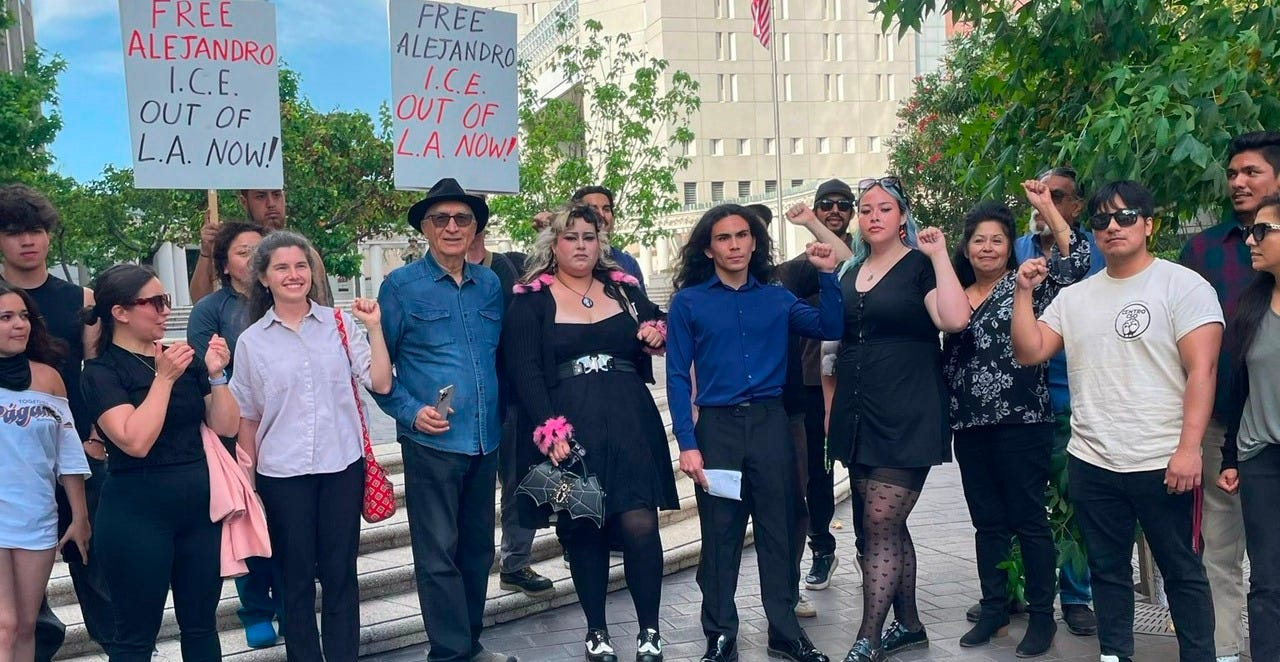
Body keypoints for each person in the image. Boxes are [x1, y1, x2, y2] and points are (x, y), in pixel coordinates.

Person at [1011, 180, 1220, 662]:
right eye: (1102, 220)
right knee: (1107, 572)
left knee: (1182, 570)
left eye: (1126, 217)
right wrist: (1024, 292)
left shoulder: (1182, 285)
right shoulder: (1077, 296)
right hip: (1092, 460)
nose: (1112, 227)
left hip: (1164, 460)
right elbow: (1030, 350)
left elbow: (1202, 371)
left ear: (1148, 225)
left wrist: (1189, 449)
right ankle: (1115, 654)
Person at [667, 202, 842, 662]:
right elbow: (678, 376)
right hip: (718, 429)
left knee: (779, 530)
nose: (735, 245)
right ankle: (721, 633)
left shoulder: (778, 298)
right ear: (709, 248)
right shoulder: (689, 302)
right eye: (724, 237)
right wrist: (687, 442)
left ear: (754, 241)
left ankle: (784, 631)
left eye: (742, 235)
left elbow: (832, 325)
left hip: (770, 424)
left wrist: (827, 275)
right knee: (721, 534)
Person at [503, 205, 673, 662]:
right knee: (583, 528)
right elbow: (524, 369)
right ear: (553, 244)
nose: (581, 245)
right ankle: (596, 630)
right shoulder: (530, 298)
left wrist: (657, 331)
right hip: (568, 426)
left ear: (601, 244)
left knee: (640, 524)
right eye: (571, 236)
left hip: (629, 418)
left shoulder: (623, 289)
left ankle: (650, 631)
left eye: (589, 237)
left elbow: (660, 321)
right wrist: (548, 428)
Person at [824, 176, 969, 662]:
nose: (874, 216)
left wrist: (941, 254)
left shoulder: (919, 267)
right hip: (859, 409)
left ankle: (868, 635)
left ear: (902, 215)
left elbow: (954, 319)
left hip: (909, 407)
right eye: (866, 210)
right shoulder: (853, 269)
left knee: (881, 520)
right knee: (884, 525)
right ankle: (908, 624)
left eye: (884, 208)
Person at [372, 178, 515, 662]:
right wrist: (412, 414)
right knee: (437, 557)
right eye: (441, 219)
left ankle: (469, 644)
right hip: (432, 444)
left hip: (484, 439)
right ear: (425, 230)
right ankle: (450, 653)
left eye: (462, 219)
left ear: (475, 229)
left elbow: (501, 359)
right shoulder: (401, 287)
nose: (452, 227)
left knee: (477, 552)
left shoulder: (491, 285)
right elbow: (377, 371)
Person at [941, 188, 1090, 656]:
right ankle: (994, 608)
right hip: (968, 424)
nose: (987, 248)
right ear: (965, 248)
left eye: (997, 240)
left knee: (1029, 520)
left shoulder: (1031, 281)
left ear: (1011, 246)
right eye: (979, 240)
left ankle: (1043, 617)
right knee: (987, 522)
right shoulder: (953, 295)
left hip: (1023, 419)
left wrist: (1047, 207)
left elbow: (1079, 261)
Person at [230, 230, 391, 661]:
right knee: (293, 578)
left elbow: (380, 381)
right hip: (282, 476)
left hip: (342, 468)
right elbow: (248, 416)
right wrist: (248, 482)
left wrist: (373, 329)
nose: (293, 274)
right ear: (263, 278)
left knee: (341, 575)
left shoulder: (338, 326)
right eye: (281, 267)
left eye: (300, 265)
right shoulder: (252, 342)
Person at [81, 264, 239, 661]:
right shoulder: (101, 371)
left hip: (199, 510)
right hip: (136, 511)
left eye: (165, 300)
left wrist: (217, 376)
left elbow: (225, 425)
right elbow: (134, 440)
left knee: (202, 625)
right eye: (153, 302)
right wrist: (164, 380)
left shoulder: (183, 360)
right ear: (120, 312)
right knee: (135, 635)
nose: (165, 310)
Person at [0, 183, 113, 660]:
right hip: (12, 463)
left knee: (96, 568)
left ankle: (121, 648)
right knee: (20, 607)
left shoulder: (80, 298)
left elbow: (95, 370)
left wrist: (93, 436)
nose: (28, 240)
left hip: (74, 452)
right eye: (14, 231)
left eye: (37, 230)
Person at [1180, 131, 1280, 662]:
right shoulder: (1201, 249)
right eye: (1233, 172)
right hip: (1223, 425)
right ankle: (1223, 652)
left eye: (1252, 172)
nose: (1238, 182)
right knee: (1219, 551)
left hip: (1269, 427)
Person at [1003, 166, 1103, 636]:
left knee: (1072, 499)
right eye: (1038, 195)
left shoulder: (1092, 247)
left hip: (1071, 392)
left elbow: (1081, 276)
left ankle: (1077, 596)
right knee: (1022, 496)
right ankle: (1018, 588)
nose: (1043, 203)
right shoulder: (1017, 248)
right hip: (1022, 393)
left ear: (1074, 206)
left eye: (1055, 195)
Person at [183, 221, 282, 648]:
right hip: (238, 432)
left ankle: (290, 599)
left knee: (287, 520)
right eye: (243, 251)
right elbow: (205, 375)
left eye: (260, 249)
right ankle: (256, 607)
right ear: (224, 264)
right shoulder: (211, 310)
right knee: (250, 518)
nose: (253, 256)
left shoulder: (285, 300)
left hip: (288, 427)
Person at [0, 281, 91, 662]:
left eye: (23, 316)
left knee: (24, 626)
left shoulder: (49, 378)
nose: (18, 324)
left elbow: (67, 454)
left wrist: (80, 516)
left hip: (36, 515)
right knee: (4, 624)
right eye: (5, 317)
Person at [777, 179, 858, 597]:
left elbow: (847, 262)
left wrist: (810, 223)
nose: (834, 210)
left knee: (865, 473)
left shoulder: (866, 256)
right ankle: (822, 548)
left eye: (843, 205)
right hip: (811, 383)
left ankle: (869, 549)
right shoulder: (804, 263)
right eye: (825, 204)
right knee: (817, 475)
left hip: (863, 381)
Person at [465, 230, 554, 598]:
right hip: (467, 402)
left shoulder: (504, 269)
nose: (456, 227)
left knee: (518, 483)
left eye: (466, 218)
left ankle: (514, 563)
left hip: (512, 396)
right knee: (474, 490)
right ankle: (473, 565)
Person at [1216, 194, 1280, 662]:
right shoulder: (1251, 305)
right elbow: (1237, 388)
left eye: (1263, 232)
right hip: (1263, 461)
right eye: (1250, 231)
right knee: (1268, 581)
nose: (1251, 241)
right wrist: (1231, 458)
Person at [189, 189, 333, 306]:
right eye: (260, 196)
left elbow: (321, 308)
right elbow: (200, 301)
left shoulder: (304, 253)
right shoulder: (233, 249)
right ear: (244, 202)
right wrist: (206, 252)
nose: (271, 203)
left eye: (277, 195)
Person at [573, 186, 646, 292]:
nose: (601, 215)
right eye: (593, 209)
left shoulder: (628, 263)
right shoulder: (564, 260)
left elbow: (642, 307)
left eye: (606, 209)